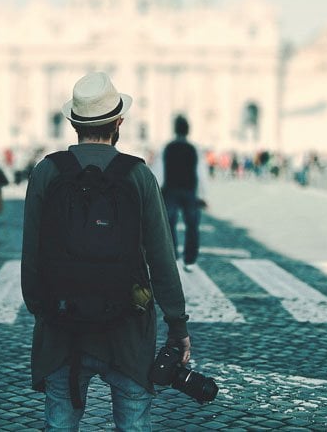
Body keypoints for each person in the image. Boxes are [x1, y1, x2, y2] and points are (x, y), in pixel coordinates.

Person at [22, 71, 191, 430]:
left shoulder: (46, 172)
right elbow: (161, 258)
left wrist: (45, 312)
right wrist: (177, 324)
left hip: (62, 328)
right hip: (127, 329)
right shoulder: (139, 175)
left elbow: (31, 258)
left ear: (73, 123)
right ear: (119, 122)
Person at [160, 115, 208, 271]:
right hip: (189, 190)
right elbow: (201, 173)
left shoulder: (167, 147)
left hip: (170, 190)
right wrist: (203, 195)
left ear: (175, 129)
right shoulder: (194, 148)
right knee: (192, 226)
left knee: (169, 224)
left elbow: (159, 171)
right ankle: (190, 260)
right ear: (188, 130)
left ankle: (173, 256)